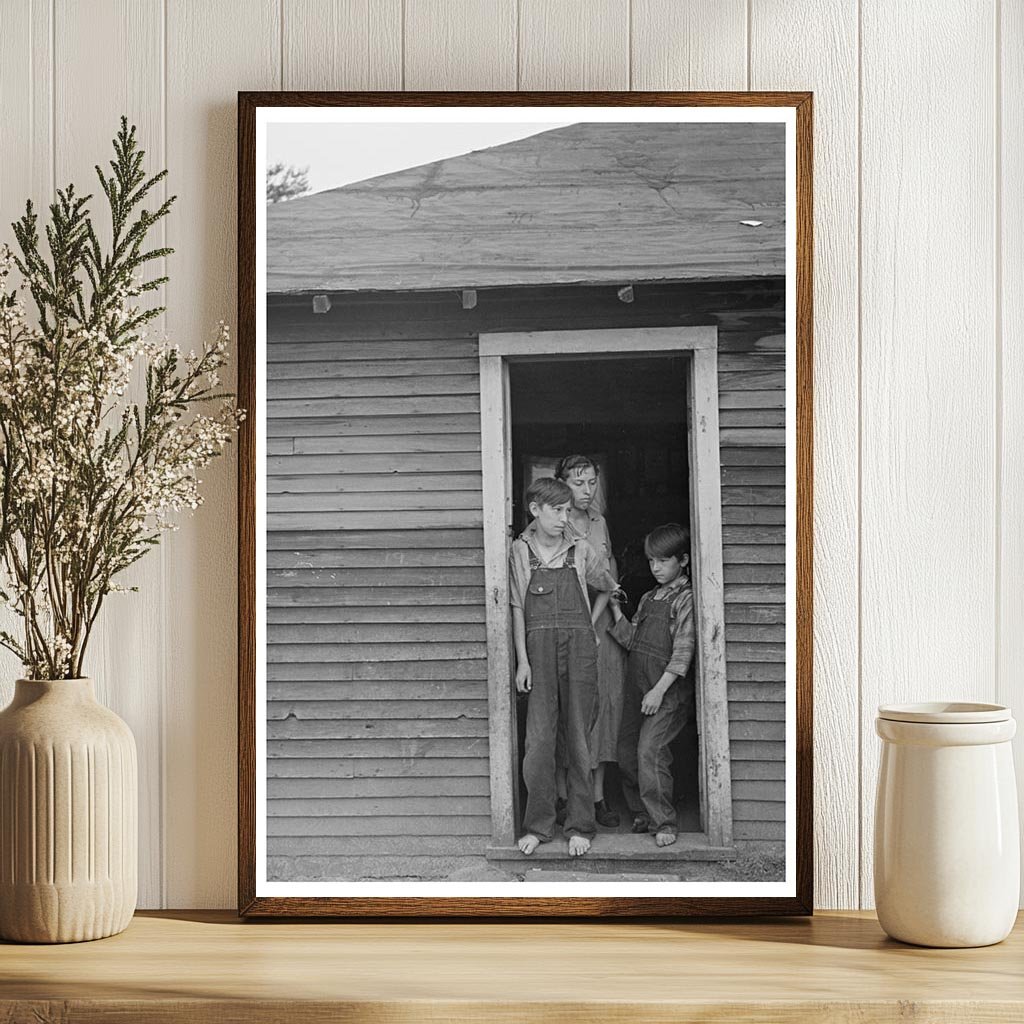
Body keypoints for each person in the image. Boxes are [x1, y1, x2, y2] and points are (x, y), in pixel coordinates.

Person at [509, 477, 618, 857]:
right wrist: (522, 661)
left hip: (580, 652)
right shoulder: (521, 551)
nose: (563, 517)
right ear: (535, 510)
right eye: (556, 510)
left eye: (567, 510)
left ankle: (580, 826)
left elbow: (607, 585)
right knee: (538, 742)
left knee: (579, 738)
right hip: (538, 652)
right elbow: (518, 607)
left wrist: (590, 624)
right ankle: (538, 826)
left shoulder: (581, 549)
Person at [609, 523, 696, 847]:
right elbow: (631, 640)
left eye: (663, 561)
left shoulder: (684, 599)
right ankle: (641, 812)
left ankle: (665, 822)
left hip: (666, 692)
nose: (656, 568)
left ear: (683, 560)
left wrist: (659, 691)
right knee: (626, 752)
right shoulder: (648, 597)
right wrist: (615, 607)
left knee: (650, 751)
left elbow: (684, 651)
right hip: (637, 688)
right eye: (651, 561)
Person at [555, 454, 626, 829]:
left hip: (599, 629)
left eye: (592, 482)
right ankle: (567, 796)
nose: (587, 490)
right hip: (568, 624)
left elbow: (609, 577)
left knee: (605, 709)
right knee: (571, 709)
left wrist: (597, 622)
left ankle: (597, 797)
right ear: (562, 484)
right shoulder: (555, 525)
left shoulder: (600, 523)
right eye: (578, 482)